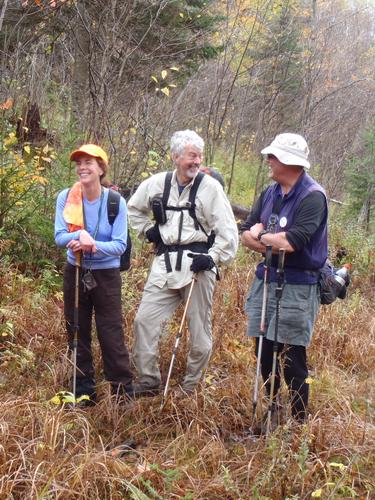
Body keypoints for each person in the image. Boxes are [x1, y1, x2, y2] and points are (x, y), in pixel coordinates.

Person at [128, 130, 238, 396]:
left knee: (199, 330)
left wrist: (212, 257)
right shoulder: (156, 184)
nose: (197, 161)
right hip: (164, 265)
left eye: (199, 156)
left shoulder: (211, 188)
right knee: (144, 321)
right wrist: (147, 231)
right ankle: (148, 381)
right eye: (191, 156)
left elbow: (229, 233)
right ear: (175, 157)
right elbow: (132, 208)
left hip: (197, 267)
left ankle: (190, 387)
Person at [241, 133, 328, 424]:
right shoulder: (270, 193)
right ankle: (273, 410)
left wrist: (260, 234)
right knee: (264, 351)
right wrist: (265, 239)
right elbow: (244, 234)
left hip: (298, 286)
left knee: (292, 357)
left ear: (290, 162)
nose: (268, 160)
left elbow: (293, 242)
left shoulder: (313, 196)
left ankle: (300, 422)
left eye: (274, 156)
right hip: (266, 278)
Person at [54, 144, 133, 404]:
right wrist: (79, 235)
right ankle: (83, 392)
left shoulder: (115, 201)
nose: (82, 167)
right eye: (79, 163)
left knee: (111, 332)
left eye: (89, 162)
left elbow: (120, 245)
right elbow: (59, 236)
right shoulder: (66, 197)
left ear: (101, 169)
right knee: (77, 330)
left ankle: (122, 393)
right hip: (75, 271)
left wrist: (92, 245)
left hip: (106, 276)